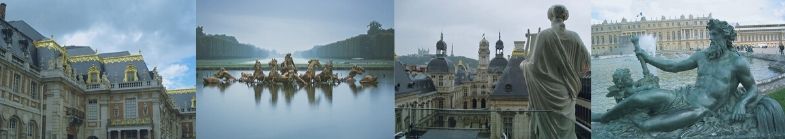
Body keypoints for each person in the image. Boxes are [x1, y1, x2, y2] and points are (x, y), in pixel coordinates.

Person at [592, 19, 759, 132]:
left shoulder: (737, 63)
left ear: (725, 36)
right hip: (681, 97)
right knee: (638, 98)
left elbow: (752, 88)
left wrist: (742, 103)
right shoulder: (702, 56)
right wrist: (647, 57)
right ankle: (603, 117)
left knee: (646, 125)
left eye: (715, 35)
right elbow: (673, 66)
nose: (711, 38)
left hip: (700, 110)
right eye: (711, 34)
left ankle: (630, 118)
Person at [521, 5, 590, 139]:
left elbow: (533, 67)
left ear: (550, 16)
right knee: (567, 132)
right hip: (566, 92)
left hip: (546, 94)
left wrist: (523, 65)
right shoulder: (575, 36)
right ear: (565, 16)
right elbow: (587, 61)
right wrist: (574, 74)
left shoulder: (544, 35)